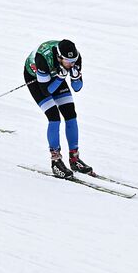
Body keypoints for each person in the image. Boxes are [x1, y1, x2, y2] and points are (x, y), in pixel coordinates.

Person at [24, 38, 90, 177]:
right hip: (38, 80)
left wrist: (76, 76)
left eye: (73, 61)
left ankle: (74, 158)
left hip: (56, 76)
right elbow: (46, 91)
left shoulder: (75, 59)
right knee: (54, 117)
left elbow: (77, 88)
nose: (71, 64)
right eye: (68, 61)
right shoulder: (43, 58)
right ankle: (56, 160)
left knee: (70, 114)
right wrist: (60, 77)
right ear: (59, 57)